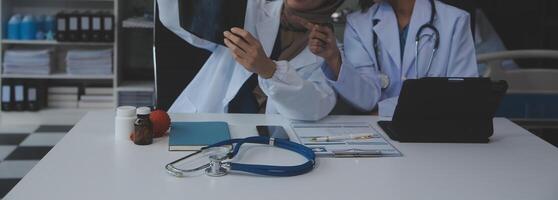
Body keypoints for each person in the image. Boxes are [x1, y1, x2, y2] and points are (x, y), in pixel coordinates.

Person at [157, 0, 343, 120]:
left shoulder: (330, 50)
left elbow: (314, 107)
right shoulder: (251, 9)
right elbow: (179, 18)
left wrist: (270, 70)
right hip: (212, 121)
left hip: (274, 142)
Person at [307, 0, 479, 116]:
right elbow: (366, 100)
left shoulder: (454, 20)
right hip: (381, 134)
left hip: (437, 138)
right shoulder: (359, 23)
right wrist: (334, 58)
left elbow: (462, 96)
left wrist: (382, 111)